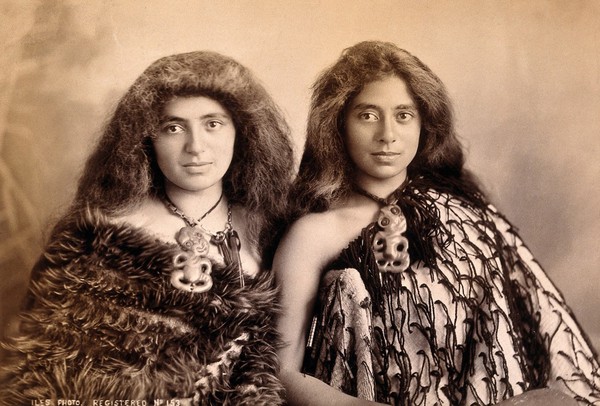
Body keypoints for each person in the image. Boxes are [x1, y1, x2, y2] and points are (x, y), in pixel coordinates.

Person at [274, 41, 599, 406]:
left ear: (425, 123)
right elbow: (281, 372)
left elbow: (538, 338)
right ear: (337, 125)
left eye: (403, 115)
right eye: (367, 115)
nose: (387, 135)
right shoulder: (313, 234)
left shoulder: (467, 211)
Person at [0, 51, 294, 404]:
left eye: (212, 123)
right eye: (173, 127)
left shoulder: (274, 227)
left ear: (242, 131)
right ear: (145, 140)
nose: (195, 147)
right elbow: (51, 379)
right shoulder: (103, 237)